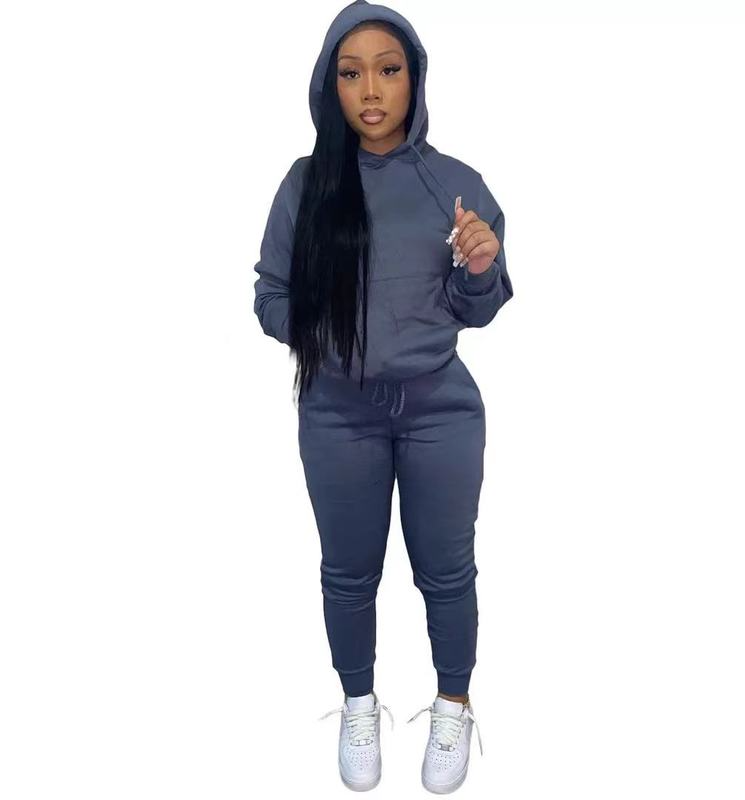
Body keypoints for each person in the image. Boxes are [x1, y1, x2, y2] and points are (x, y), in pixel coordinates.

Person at [252, 0, 513, 792]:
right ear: (328, 86)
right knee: (348, 572)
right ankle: (359, 705)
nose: (371, 90)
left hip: (440, 411)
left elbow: (478, 307)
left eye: (389, 70)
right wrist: (326, 331)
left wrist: (480, 267)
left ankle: (453, 706)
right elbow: (270, 297)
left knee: (448, 570)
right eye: (351, 73)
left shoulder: (455, 185)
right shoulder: (306, 187)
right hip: (338, 413)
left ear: (414, 79)